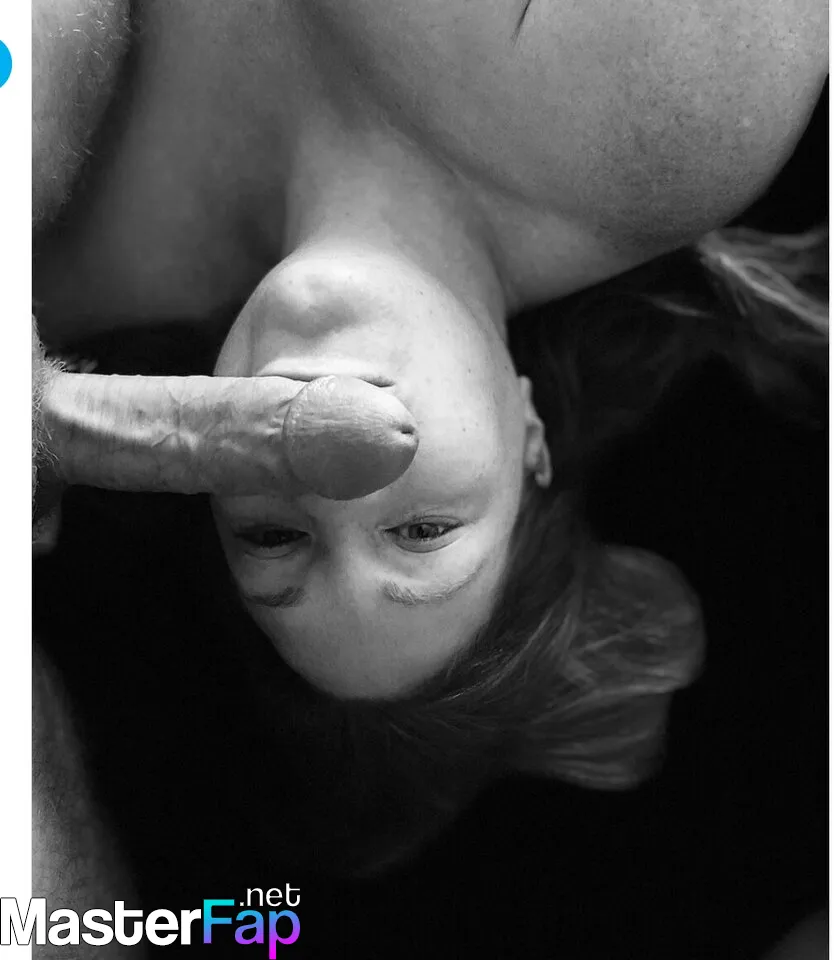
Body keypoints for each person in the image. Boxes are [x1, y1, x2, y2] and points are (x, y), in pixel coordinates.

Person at [31, 0, 826, 918]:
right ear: (530, 433)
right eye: (421, 532)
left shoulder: (57, 269)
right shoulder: (667, 122)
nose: (321, 479)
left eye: (274, 538)